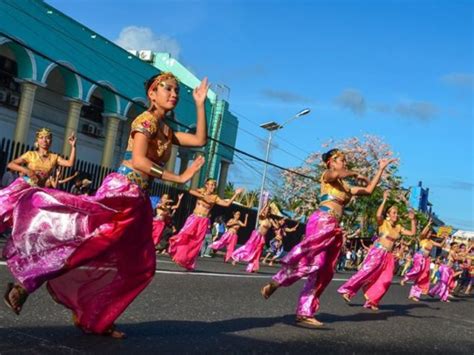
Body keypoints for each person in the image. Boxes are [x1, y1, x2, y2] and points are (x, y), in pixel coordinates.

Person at [2, 72, 208, 338]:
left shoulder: (167, 131)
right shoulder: (144, 121)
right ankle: (27, 283)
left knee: (139, 265)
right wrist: (178, 177)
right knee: (89, 244)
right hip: (123, 190)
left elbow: (200, 141)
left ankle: (96, 316)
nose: (173, 94)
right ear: (152, 94)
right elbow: (140, 162)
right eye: (167, 88)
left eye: (176, 91)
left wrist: (200, 104)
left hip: (139, 199)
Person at [261, 149, 396, 327]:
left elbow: (369, 190)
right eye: (341, 160)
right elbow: (336, 174)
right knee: (315, 263)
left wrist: (380, 169)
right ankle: (291, 295)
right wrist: (356, 173)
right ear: (331, 162)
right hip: (321, 221)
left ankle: (296, 302)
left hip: (334, 227)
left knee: (324, 270)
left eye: (345, 161)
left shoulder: (346, 187)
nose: (345, 163)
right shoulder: (327, 176)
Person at [338, 190, 417, 310]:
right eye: (394, 213)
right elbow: (378, 215)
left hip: (389, 256)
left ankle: (372, 300)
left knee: (386, 280)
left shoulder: (399, 227)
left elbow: (412, 233)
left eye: (397, 213)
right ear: (388, 214)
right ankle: (348, 291)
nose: (396, 215)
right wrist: (384, 200)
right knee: (366, 272)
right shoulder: (383, 223)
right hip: (378, 251)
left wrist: (412, 220)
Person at [0, 128, 76, 231]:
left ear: (51, 141)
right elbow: (11, 164)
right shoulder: (30, 155)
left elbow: (69, 163)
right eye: (42, 138)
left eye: (47, 138)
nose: (44, 140)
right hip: (27, 189)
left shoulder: (54, 157)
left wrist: (73, 146)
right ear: (37, 140)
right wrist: (26, 170)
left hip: (40, 192)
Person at [168, 178, 243, 270]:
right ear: (206, 185)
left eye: (214, 185)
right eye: (211, 184)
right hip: (194, 218)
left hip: (203, 220)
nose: (212, 186)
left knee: (196, 241)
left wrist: (235, 194)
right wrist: (203, 196)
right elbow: (191, 191)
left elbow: (226, 204)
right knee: (184, 235)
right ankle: (176, 252)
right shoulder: (201, 191)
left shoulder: (215, 197)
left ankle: (188, 262)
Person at [401, 219, 446, 301]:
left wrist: (445, 238)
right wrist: (428, 224)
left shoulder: (431, 241)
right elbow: (422, 233)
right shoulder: (422, 238)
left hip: (426, 259)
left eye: (429, 233)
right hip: (419, 257)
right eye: (427, 232)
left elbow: (440, 245)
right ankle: (406, 278)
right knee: (417, 270)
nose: (428, 234)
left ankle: (414, 295)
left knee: (422, 276)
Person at [232, 202, 275, 273]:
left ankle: (251, 267)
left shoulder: (270, 220)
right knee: (249, 249)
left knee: (257, 252)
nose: (266, 211)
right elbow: (260, 214)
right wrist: (264, 206)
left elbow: (276, 227)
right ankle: (237, 258)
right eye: (266, 209)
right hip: (256, 235)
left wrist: (276, 223)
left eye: (268, 210)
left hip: (262, 237)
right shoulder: (262, 217)